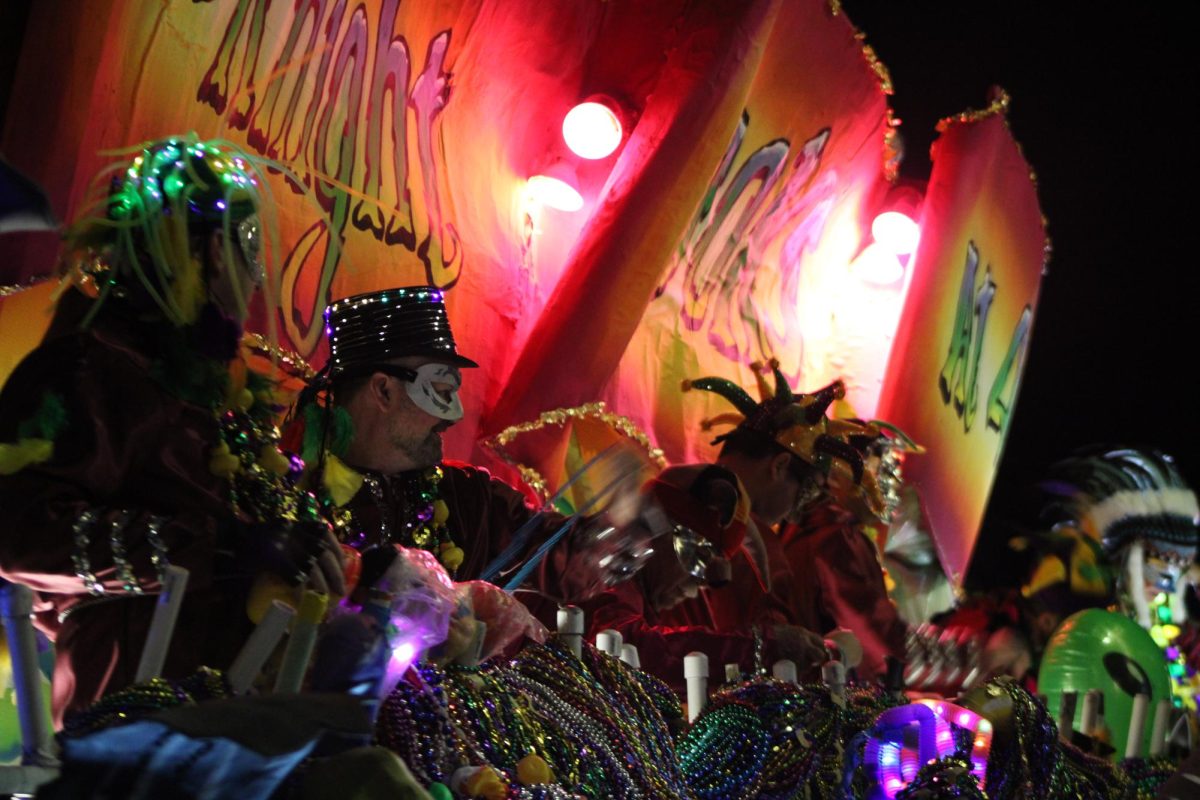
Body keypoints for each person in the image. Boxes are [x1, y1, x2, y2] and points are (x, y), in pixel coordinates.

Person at [0, 136, 343, 723]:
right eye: (250, 250)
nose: (256, 279)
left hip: (221, 717)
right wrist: (215, 546)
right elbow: (19, 536)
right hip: (130, 716)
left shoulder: (212, 391)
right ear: (214, 250)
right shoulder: (89, 367)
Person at [293, 286, 650, 608]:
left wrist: (622, 518)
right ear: (384, 390)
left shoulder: (469, 499)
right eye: (442, 392)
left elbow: (565, 561)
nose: (454, 416)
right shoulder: (293, 492)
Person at [588, 364, 871, 689]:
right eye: (698, 559)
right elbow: (629, 649)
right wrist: (764, 649)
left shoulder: (645, 578)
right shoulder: (605, 567)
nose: (695, 588)